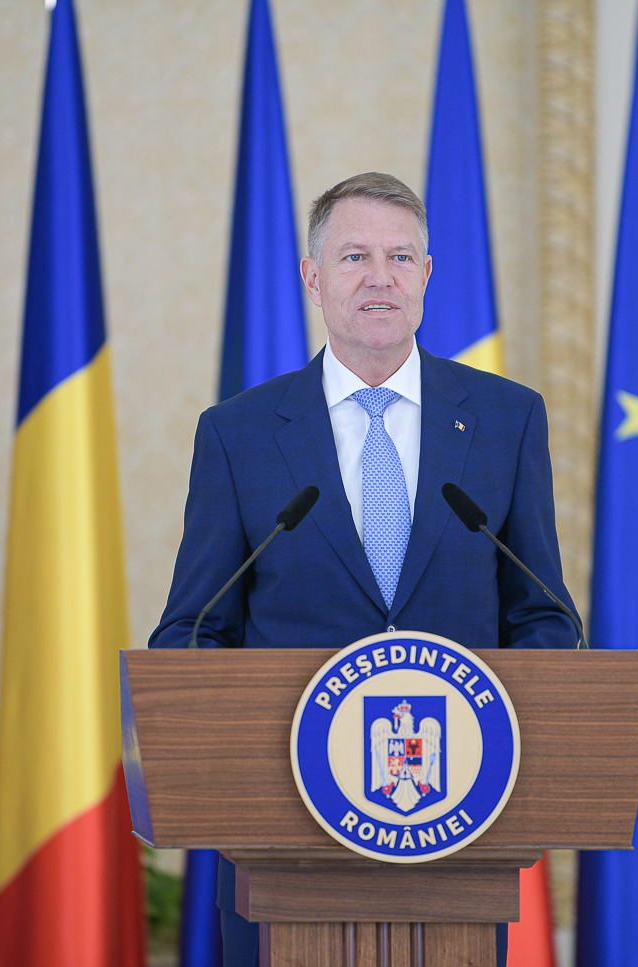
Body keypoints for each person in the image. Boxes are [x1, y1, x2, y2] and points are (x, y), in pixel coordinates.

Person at [149, 172, 579, 967]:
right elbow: (193, 628)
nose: (380, 277)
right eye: (354, 256)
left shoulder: (506, 419)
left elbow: (543, 613)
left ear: (426, 275)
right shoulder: (238, 433)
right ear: (313, 277)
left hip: (454, 838)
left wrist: (505, 724)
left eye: (400, 257)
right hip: (283, 847)